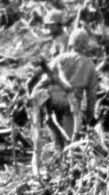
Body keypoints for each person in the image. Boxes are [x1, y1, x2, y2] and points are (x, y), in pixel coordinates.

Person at [30, 28, 99, 178]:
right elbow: (92, 95)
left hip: (52, 104)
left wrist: (36, 98)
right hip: (71, 107)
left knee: (57, 141)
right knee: (70, 144)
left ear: (71, 43)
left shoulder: (60, 59)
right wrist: (90, 114)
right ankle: (66, 174)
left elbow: (43, 81)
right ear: (85, 45)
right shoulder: (89, 65)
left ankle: (56, 169)